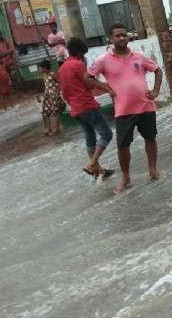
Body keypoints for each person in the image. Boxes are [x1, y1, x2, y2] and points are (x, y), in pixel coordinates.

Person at [88, 23, 163, 192]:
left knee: (150, 138)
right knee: (122, 145)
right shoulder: (103, 60)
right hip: (123, 110)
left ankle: (152, 169)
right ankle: (125, 177)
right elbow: (88, 77)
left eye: (124, 35)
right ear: (111, 38)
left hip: (146, 106)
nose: (122, 38)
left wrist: (156, 91)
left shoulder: (139, 56)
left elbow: (158, 71)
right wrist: (106, 88)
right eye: (118, 35)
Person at [58, 37, 116, 180]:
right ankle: (92, 163)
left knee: (90, 137)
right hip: (86, 105)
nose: (83, 56)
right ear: (79, 52)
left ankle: (99, 172)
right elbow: (90, 83)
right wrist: (107, 87)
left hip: (75, 108)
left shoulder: (62, 68)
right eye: (83, 54)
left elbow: (64, 91)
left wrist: (72, 103)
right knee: (106, 134)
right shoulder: (78, 65)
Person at [37, 60, 65, 136]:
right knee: (46, 113)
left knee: (56, 112)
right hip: (47, 96)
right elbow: (47, 87)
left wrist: (58, 91)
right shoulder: (44, 76)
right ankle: (48, 130)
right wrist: (44, 95)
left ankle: (56, 129)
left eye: (41, 68)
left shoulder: (52, 74)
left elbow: (61, 82)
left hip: (55, 96)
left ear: (45, 68)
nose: (40, 69)